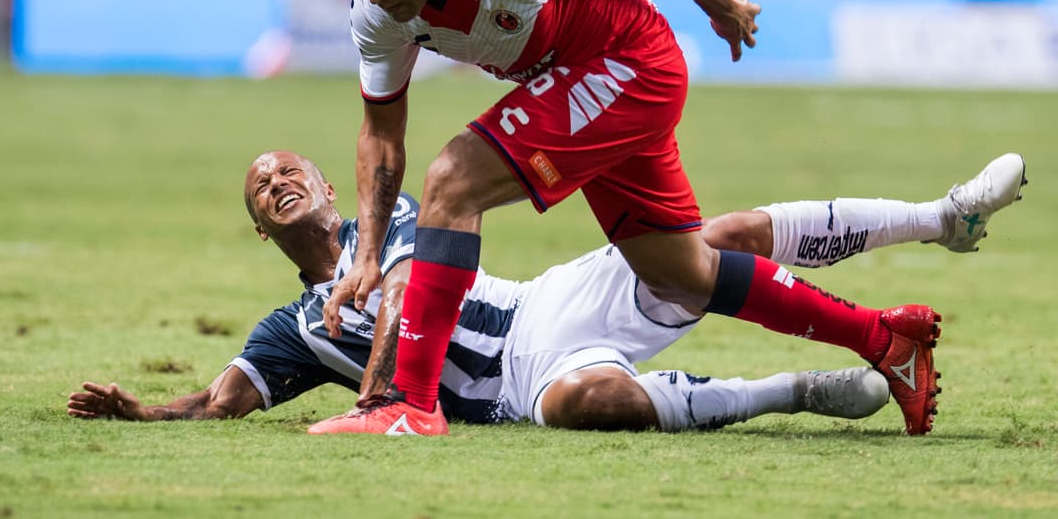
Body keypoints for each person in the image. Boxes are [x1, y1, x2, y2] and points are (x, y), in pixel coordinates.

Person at [314, 0, 1024, 437]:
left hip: (629, 62)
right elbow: (380, 130)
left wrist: (718, 4)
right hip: (585, 81)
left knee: (452, 181)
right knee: (682, 272)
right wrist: (371, 252)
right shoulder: (376, 14)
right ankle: (886, 340)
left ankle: (409, 400)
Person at [68, 150, 1025, 433]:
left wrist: (377, 397)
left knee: (716, 237)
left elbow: (404, 294)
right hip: (517, 390)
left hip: (545, 305)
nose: (278, 179)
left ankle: (941, 217)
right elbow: (221, 398)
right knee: (583, 404)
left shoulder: (393, 214)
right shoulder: (288, 325)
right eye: (260, 186)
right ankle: (797, 391)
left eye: (291, 170)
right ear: (262, 225)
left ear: (326, 187)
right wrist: (142, 410)